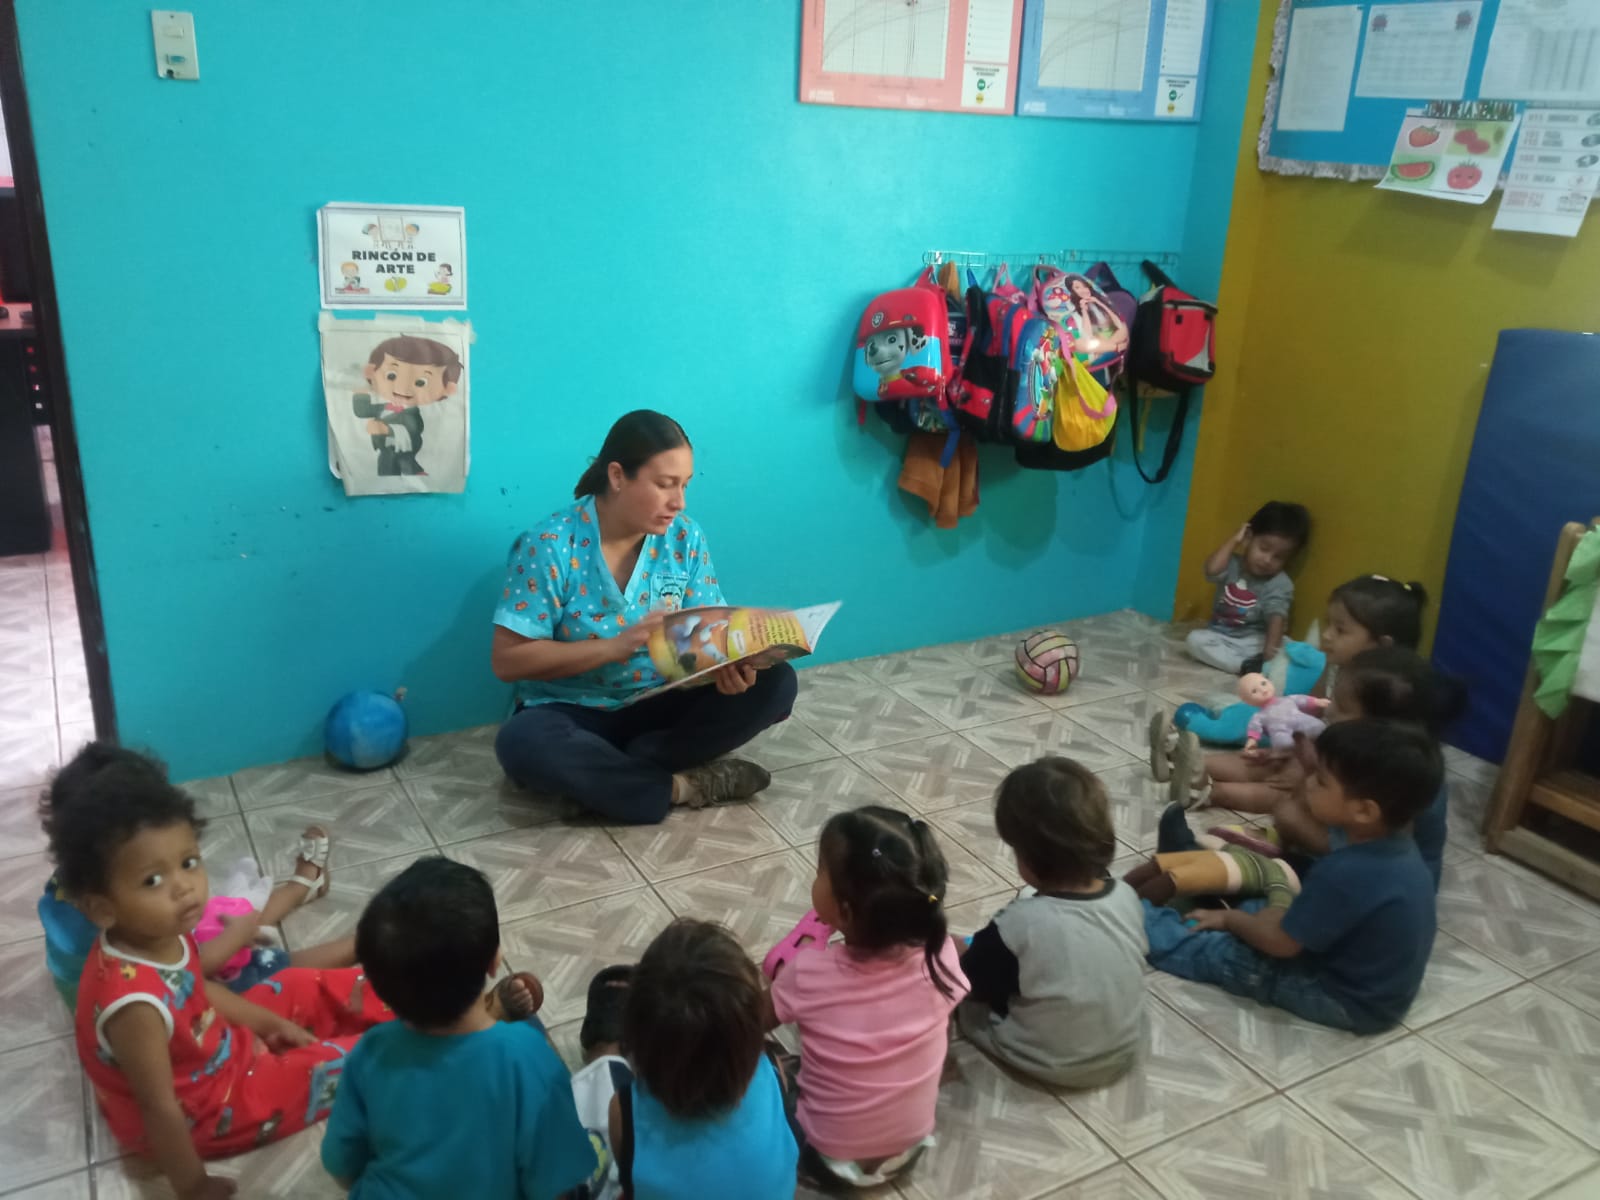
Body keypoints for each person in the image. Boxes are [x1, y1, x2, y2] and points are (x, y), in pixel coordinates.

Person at [40, 742, 395, 1200]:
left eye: (188, 862)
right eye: (153, 880)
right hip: (207, 1109)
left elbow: (198, 988)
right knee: (348, 1061)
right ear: (102, 908)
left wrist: (268, 1023)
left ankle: (414, 995)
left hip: (213, 1045)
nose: (184, 887)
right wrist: (193, 1186)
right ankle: (423, 1035)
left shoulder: (157, 932)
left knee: (293, 982)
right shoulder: (132, 1006)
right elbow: (158, 1108)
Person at [491, 411, 797, 824]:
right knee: (521, 742)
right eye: (665, 484)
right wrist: (613, 648)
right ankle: (683, 787)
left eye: (684, 485)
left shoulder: (684, 538)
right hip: (573, 709)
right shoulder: (550, 546)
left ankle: (610, 781)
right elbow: (508, 661)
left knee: (777, 683)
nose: (679, 502)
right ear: (618, 476)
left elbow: (708, 634)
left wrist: (729, 668)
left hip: (660, 702)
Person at [322, 857, 597, 1200]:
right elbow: (556, 1183)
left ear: (379, 989)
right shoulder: (528, 1058)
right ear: (494, 961)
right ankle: (499, 1012)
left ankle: (499, 1010)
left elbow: (341, 1166)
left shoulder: (370, 1050)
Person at [1143, 720, 1440, 1034]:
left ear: (1365, 811)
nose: (1308, 783)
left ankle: (1131, 914)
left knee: (1223, 953)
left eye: (1321, 781)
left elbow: (1281, 945)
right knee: (1264, 902)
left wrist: (1231, 922)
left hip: (1340, 997)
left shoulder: (1345, 871)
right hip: (1377, 992)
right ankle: (1198, 876)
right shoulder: (1401, 849)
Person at [762, 806, 968, 1189]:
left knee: (764, 1064)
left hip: (826, 1158)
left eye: (820, 871)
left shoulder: (808, 972)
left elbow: (749, 1020)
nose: (816, 878)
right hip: (909, 1150)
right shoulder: (940, 953)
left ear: (844, 911)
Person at [1202, 646, 1466, 891]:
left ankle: (1288, 855)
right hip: (1362, 838)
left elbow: (1389, 852)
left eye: (1342, 707)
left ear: (1380, 723)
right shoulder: (1373, 747)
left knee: (1289, 811)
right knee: (1296, 797)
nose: (1329, 712)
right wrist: (1300, 761)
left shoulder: (1403, 773)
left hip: (1385, 873)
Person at [1163, 573, 1430, 815]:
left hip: (1341, 780)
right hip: (1317, 752)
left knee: (1287, 793)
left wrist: (1308, 770)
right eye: (1328, 624)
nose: (1327, 635)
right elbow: (1313, 714)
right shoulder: (1335, 667)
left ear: (1381, 646)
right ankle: (1186, 763)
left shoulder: (1383, 698)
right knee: (1261, 760)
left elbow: (1355, 767)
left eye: (1340, 629)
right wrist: (1290, 747)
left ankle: (1209, 793)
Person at [958, 758, 1146, 1088]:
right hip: (1122, 1053)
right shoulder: (1126, 896)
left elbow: (971, 982)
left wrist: (960, 952)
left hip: (1051, 1062)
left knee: (960, 984)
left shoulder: (1018, 925)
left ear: (1029, 859)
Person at [599, 919, 798, 1200]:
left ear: (637, 1047)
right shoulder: (775, 1074)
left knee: (603, 1018)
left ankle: (606, 1043)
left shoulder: (623, 1111)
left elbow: (630, 1182)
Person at [1185, 501, 1311, 676]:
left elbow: (1276, 619)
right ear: (1248, 538)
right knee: (1194, 640)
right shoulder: (1231, 564)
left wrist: (1269, 658)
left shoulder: (1279, 583)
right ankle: (1246, 666)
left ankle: (1260, 664)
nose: (1267, 560)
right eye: (1264, 549)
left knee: (1285, 644)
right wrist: (1235, 540)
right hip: (1221, 637)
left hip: (1254, 641)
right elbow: (1211, 570)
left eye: (1279, 557)